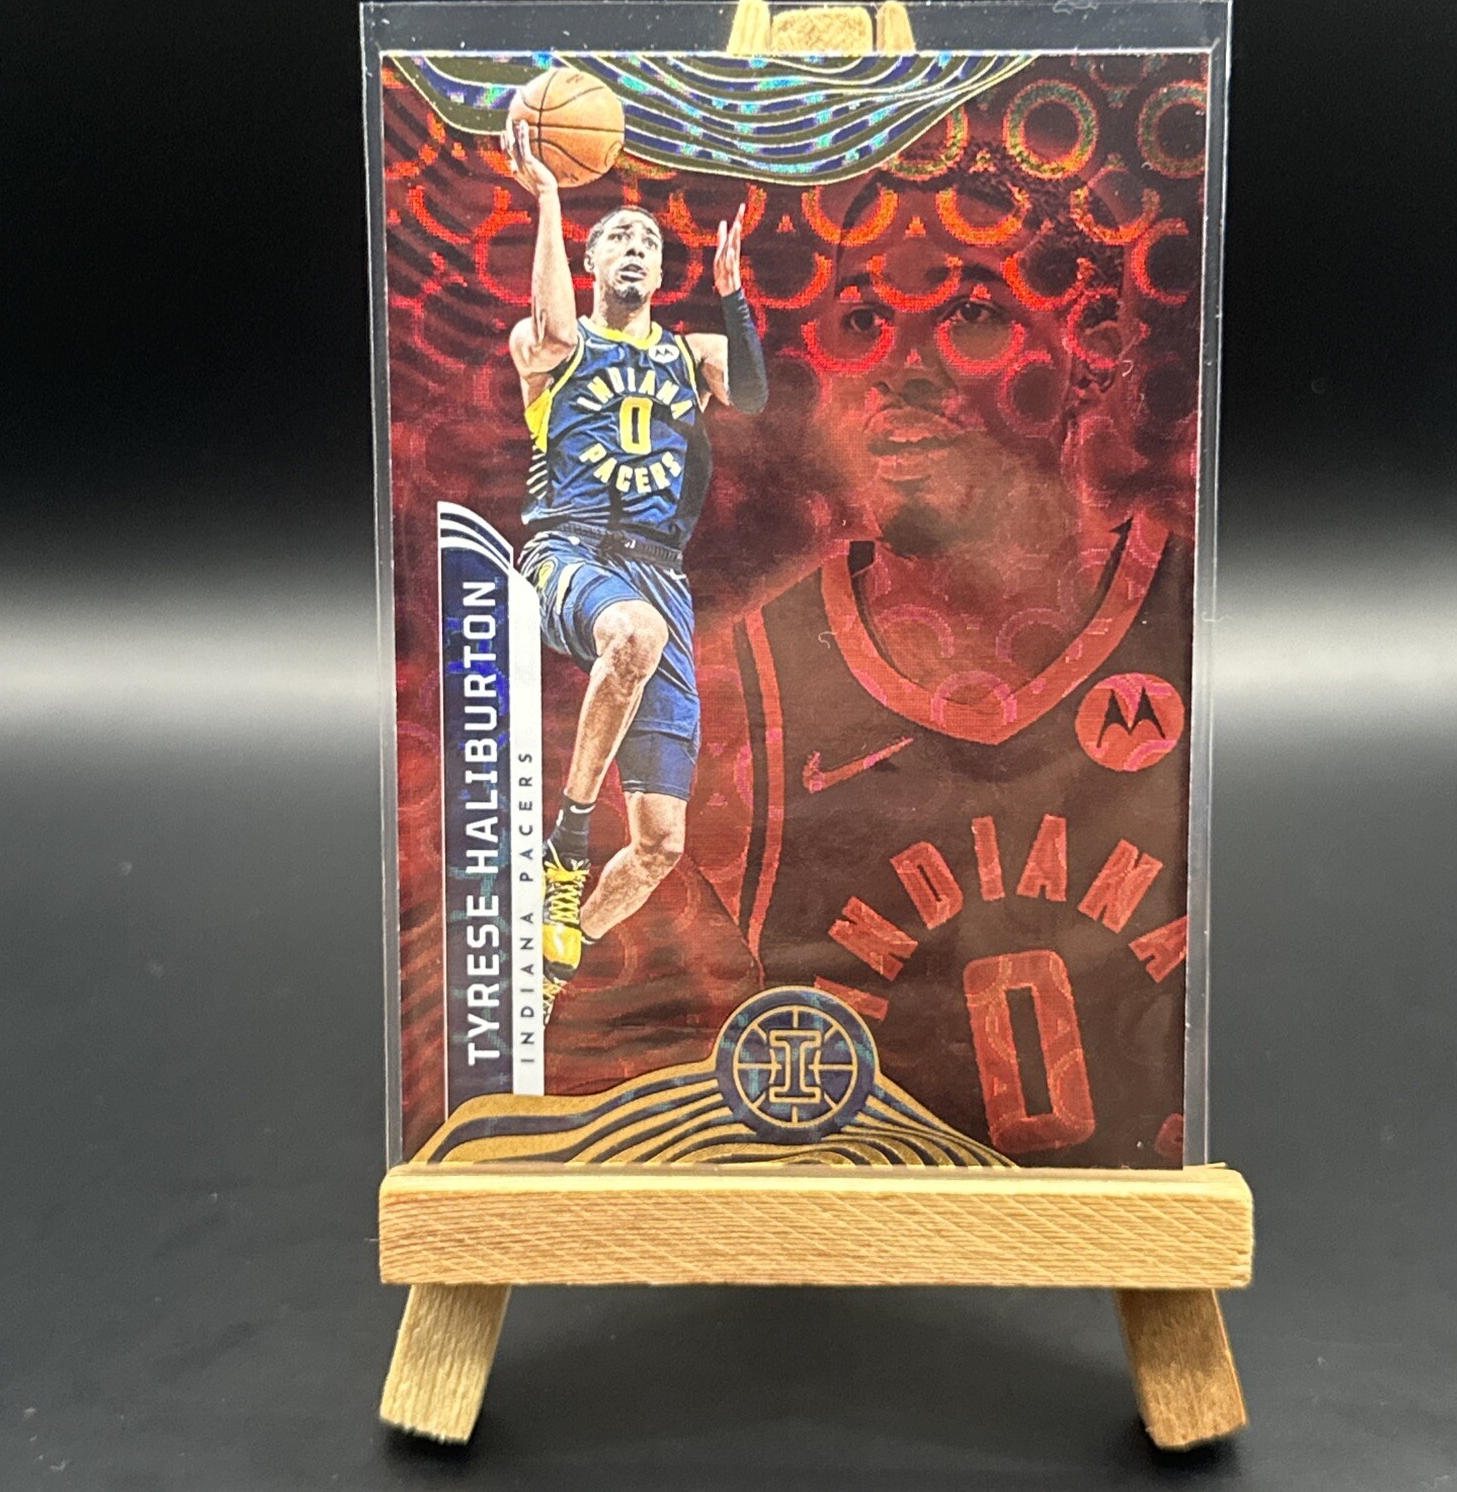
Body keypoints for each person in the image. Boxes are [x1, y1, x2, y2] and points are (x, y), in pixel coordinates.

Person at [691, 169, 1194, 1167]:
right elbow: (665, 1060)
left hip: (1128, 1219)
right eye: (861, 321)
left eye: (971, 313)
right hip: (856, 1227)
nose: (899, 367)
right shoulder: (741, 681)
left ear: (1089, 351)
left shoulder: (1191, 614)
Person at [501, 118, 769, 1021]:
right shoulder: (550, 346)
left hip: (660, 573)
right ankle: (566, 843)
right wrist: (548, 194)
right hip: (568, 550)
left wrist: (731, 296)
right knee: (633, 633)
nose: (635, 247)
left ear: (659, 274)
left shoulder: (690, 355)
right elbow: (549, 326)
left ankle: (548, 963)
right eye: (617, 235)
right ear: (588, 261)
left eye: (648, 242)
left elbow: (754, 394)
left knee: (661, 844)